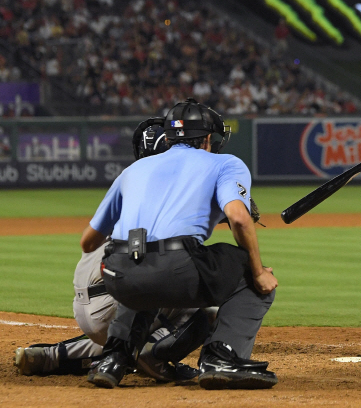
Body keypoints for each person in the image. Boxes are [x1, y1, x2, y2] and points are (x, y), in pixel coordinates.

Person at [82, 98, 278, 390]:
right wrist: (259, 269)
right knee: (248, 267)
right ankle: (221, 358)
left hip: (118, 274)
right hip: (176, 267)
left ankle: (113, 359)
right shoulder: (226, 163)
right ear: (209, 139)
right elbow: (239, 218)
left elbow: (88, 242)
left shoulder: (133, 170)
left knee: (140, 264)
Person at [14, 123, 212, 383]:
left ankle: (52, 356)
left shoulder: (132, 180)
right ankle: (155, 356)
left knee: (124, 337)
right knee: (207, 290)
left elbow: (89, 241)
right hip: (115, 303)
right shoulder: (169, 191)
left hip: (86, 303)